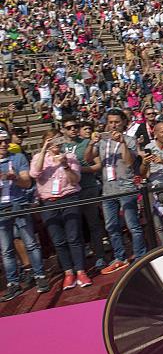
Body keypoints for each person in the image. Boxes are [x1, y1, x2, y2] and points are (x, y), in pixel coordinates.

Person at [85, 109, 146, 275]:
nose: (113, 125)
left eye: (116, 122)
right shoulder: (102, 141)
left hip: (126, 188)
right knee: (111, 226)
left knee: (133, 225)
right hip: (108, 190)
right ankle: (120, 257)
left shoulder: (130, 140)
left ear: (123, 123)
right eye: (110, 122)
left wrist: (123, 143)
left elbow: (128, 162)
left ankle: (141, 255)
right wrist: (91, 143)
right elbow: (88, 158)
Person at [29, 130, 92, 290]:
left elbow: (75, 180)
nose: (55, 144)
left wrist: (65, 165)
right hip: (49, 202)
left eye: (58, 140)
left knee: (74, 237)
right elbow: (34, 173)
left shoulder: (70, 157)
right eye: (51, 140)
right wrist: (44, 150)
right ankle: (68, 272)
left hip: (69, 199)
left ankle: (80, 271)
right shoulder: (38, 158)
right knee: (58, 240)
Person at [0, 130, 50, 301]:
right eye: (0, 142)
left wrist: (13, 178)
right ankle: (13, 283)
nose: (4, 144)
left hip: (19, 205)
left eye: (6, 141)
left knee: (30, 243)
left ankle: (40, 276)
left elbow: (27, 182)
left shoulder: (18, 158)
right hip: (1, 209)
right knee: (6, 249)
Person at [60, 115, 107, 269]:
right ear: (63, 130)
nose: (73, 129)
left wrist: (79, 169)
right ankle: (79, 262)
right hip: (68, 191)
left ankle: (100, 256)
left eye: (75, 126)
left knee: (93, 223)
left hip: (88, 188)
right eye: (68, 127)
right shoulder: (59, 146)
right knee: (75, 228)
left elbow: (98, 165)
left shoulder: (87, 142)